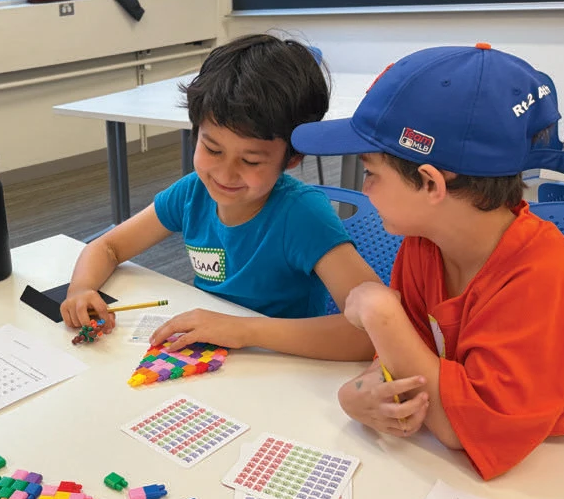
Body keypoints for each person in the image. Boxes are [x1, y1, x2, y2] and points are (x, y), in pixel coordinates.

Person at [291, 43, 564, 479]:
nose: (365, 188)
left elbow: (464, 429)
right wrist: (359, 393)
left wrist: (380, 313)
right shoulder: (423, 244)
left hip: (558, 470)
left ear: (430, 184)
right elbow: (404, 361)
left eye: (371, 171)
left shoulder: (547, 275)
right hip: (462, 472)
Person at [61, 34, 379, 361]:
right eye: (212, 149)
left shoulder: (303, 216)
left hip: (282, 365)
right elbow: (108, 246)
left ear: (293, 158)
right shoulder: (191, 194)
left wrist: (242, 330)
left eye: (251, 161)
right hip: (211, 354)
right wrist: (82, 289)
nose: (225, 175)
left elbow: (373, 333)